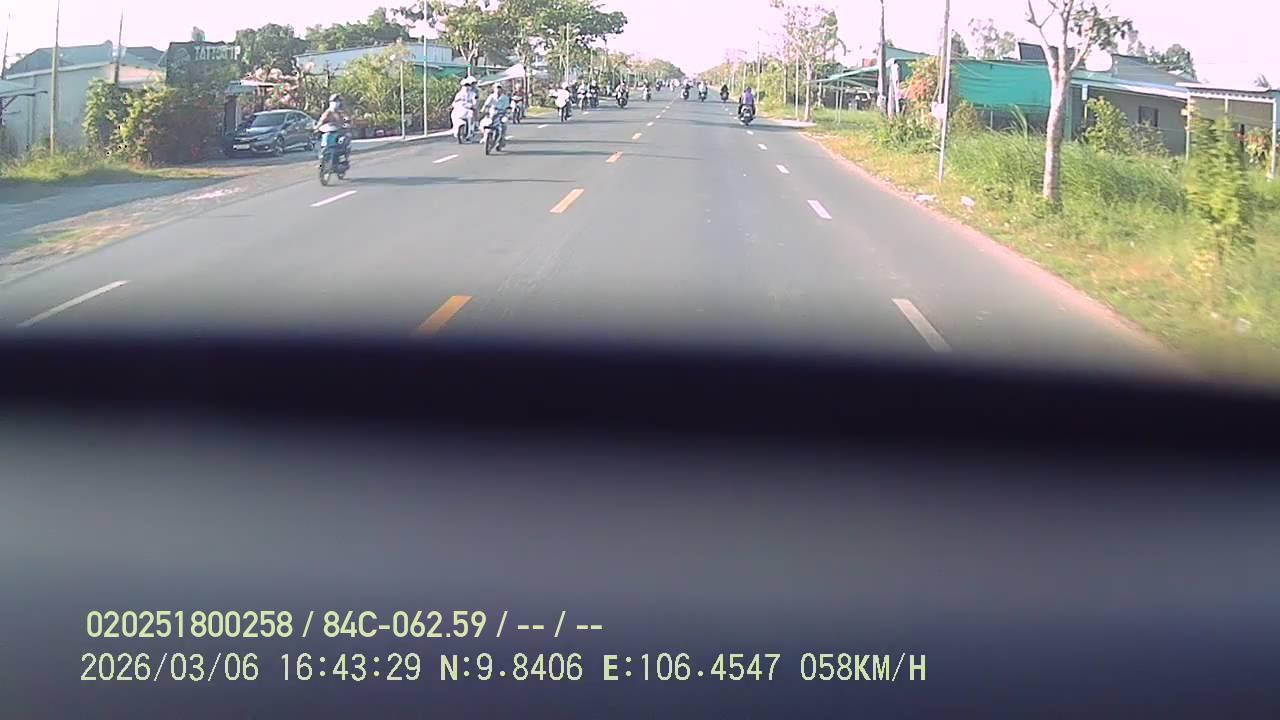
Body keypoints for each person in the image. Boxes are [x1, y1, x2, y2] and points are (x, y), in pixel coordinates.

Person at [316, 93, 351, 165]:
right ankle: (322, 161)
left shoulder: (341, 113)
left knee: (345, 141)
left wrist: (346, 124)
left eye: (337, 101)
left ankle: (343, 159)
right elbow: (321, 121)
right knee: (322, 146)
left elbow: (347, 120)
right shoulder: (328, 112)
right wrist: (316, 128)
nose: (335, 103)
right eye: (334, 101)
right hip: (329, 133)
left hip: (339, 133)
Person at [481, 84, 512, 149]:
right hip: (492, 114)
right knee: (483, 123)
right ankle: (484, 137)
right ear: (494, 89)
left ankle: (502, 140)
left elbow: (507, 107)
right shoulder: (491, 97)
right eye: (496, 88)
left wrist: (508, 113)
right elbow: (486, 105)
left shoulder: (505, 98)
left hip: (501, 114)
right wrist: (483, 110)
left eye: (499, 88)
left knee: (504, 122)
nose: (498, 90)